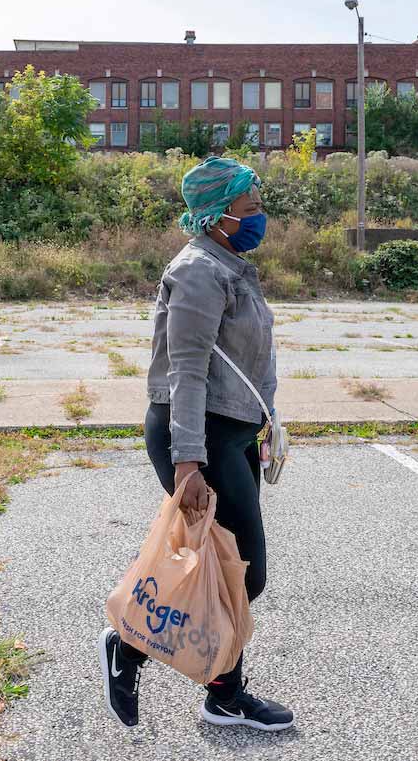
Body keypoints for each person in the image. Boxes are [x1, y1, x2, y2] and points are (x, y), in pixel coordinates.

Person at [99, 155, 292, 732]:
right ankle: (128, 647)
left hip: (231, 435)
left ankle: (224, 694)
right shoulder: (198, 272)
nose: (260, 218)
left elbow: (238, 362)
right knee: (245, 573)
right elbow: (184, 371)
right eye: (250, 209)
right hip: (197, 437)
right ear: (217, 216)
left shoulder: (228, 263)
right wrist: (188, 464)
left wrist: (261, 425)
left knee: (231, 570)